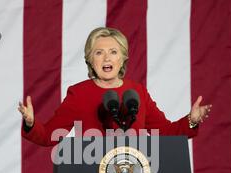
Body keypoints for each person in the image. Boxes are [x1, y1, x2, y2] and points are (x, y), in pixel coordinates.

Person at [18, 27, 211, 146]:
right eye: (99, 52)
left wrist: (191, 120)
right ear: (90, 60)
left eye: (113, 51)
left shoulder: (137, 92)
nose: (107, 57)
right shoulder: (79, 94)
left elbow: (165, 133)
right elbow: (49, 136)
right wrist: (30, 123)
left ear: (122, 58)